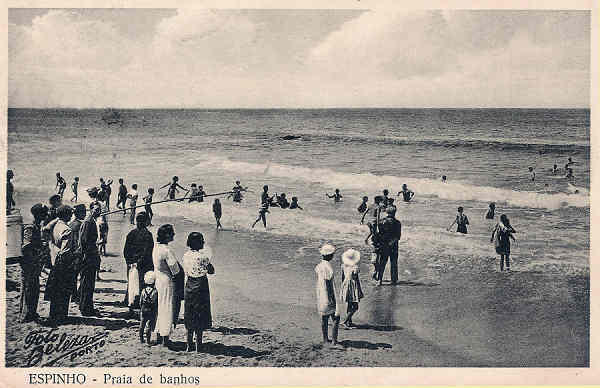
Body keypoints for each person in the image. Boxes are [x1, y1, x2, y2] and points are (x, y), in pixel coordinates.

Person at [43, 205, 76, 326]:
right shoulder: (67, 229)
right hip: (63, 263)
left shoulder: (55, 225)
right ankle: (62, 316)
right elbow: (65, 250)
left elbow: (45, 232)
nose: (72, 215)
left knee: (55, 290)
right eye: (70, 213)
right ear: (66, 215)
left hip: (54, 260)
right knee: (64, 291)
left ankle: (54, 314)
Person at [182, 232, 215, 352]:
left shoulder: (186, 255)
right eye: (201, 241)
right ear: (197, 243)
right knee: (200, 315)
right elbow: (211, 270)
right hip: (201, 286)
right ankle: (198, 346)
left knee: (190, 314)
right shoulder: (203, 257)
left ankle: (189, 344)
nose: (203, 243)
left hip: (189, 285)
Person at [19, 204, 50, 322]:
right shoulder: (31, 227)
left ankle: (31, 313)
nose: (46, 216)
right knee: (28, 289)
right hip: (29, 264)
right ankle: (26, 315)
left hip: (33, 264)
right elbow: (26, 246)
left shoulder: (36, 226)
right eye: (44, 214)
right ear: (38, 214)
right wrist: (38, 248)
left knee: (34, 289)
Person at [152, 224, 180, 347]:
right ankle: (165, 338)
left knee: (160, 307)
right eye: (172, 233)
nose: (173, 234)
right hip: (167, 281)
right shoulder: (167, 251)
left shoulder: (156, 247)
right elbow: (175, 270)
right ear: (167, 235)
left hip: (158, 279)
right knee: (167, 308)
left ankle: (159, 334)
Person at [123, 211, 154, 313]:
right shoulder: (148, 235)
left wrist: (130, 262)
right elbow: (147, 252)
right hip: (142, 265)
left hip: (132, 264)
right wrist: (139, 263)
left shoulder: (131, 233)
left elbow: (126, 250)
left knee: (132, 284)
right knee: (141, 285)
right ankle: (139, 305)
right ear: (146, 222)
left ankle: (130, 304)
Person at [78, 202, 102, 317]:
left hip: (89, 256)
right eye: (96, 209)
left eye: (99, 210)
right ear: (91, 209)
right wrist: (89, 255)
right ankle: (86, 308)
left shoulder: (91, 221)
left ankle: (86, 306)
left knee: (88, 283)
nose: (98, 211)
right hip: (88, 257)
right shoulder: (88, 222)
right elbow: (84, 241)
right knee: (87, 283)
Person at [315, 244, 340, 347]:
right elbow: (329, 284)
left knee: (324, 318)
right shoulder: (328, 268)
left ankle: (325, 339)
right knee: (335, 318)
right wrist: (332, 298)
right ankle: (334, 341)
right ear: (331, 256)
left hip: (320, 293)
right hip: (327, 295)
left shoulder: (319, 265)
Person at [377, 206, 402, 285]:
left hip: (384, 244)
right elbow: (398, 237)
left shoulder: (382, 221)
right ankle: (393, 280)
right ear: (395, 213)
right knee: (393, 262)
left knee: (382, 262)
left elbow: (379, 233)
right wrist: (391, 242)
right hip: (394, 245)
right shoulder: (397, 223)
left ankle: (379, 280)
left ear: (386, 212)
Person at [340, 249, 363, 329]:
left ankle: (349, 321)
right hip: (353, 285)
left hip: (345, 285)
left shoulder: (343, 265)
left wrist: (343, 288)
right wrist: (359, 290)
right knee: (355, 306)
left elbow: (343, 277)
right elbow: (356, 278)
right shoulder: (355, 267)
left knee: (350, 304)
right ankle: (345, 321)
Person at [68, 204, 86, 303]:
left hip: (71, 253)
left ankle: (73, 295)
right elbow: (79, 241)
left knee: (73, 276)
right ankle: (76, 296)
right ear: (79, 213)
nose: (85, 214)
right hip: (77, 254)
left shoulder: (71, 224)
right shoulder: (79, 225)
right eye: (83, 212)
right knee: (78, 275)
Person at [139, 271, 158, 345]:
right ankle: (148, 340)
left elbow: (140, 301)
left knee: (142, 324)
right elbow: (155, 302)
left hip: (144, 308)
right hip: (151, 309)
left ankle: (141, 338)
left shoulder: (143, 291)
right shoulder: (155, 292)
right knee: (149, 325)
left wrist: (141, 308)